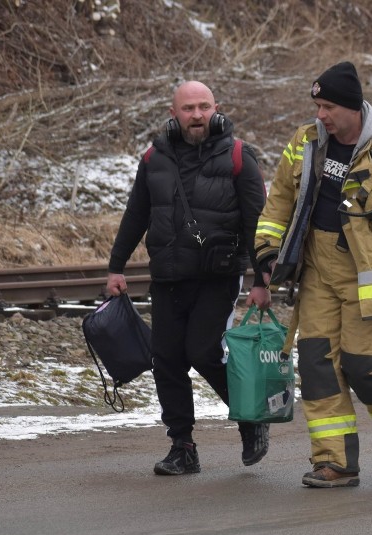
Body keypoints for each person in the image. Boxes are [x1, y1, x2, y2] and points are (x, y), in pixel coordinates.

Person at [254, 61, 372, 487]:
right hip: (318, 272)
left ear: (352, 106)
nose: (319, 115)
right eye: (317, 106)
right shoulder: (304, 143)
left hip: (370, 278)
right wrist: (267, 248)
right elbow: (280, 198)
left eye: (327, 106)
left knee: (362, 364)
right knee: (318, 363)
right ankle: (335, 462)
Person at [106, 80, 272, 475]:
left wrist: (261, 280)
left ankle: (250, 417)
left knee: (202, 351)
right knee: (165, 359)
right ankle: (182, 446)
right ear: (173, 112)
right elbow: (136, 215)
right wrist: (116, 266)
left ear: (215, 108)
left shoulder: (237, 156)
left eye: (203, 107)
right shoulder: (154, 158)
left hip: (217, 275)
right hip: (167, 275)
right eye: (188, 108)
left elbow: (257, 224)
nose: (197, 115)